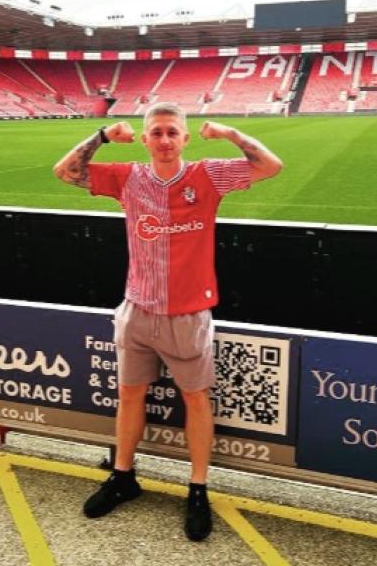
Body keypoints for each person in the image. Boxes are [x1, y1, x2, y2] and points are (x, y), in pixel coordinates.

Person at [53, 102, 282, 541]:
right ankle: (123, 476)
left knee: (196, 400)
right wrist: (101, 136)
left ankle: (197, 489)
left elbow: (269, 165)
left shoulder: (208, 175)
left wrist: (231, 133)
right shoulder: (127, 178)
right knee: (129, 395)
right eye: (156, 132)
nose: (164, 140)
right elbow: (65, 171)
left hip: (188, 313)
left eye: (172, 133)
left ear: (185, 138)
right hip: (137, 308)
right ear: (144, 139)